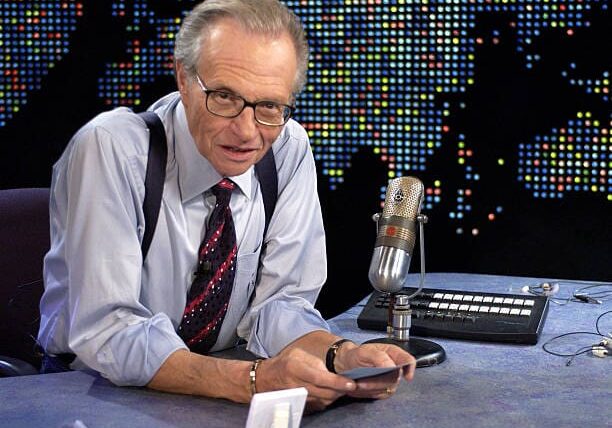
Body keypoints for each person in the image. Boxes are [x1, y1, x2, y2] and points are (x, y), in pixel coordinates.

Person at [37, 0, 415, 411]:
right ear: (183, 78)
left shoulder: (287, 148)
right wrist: (254, 381)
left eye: (270, 106)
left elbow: (280, 306)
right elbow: (109, 331)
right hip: (87, 391)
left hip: (216, 389)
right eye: (224, 97)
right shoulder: (112, 149)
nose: (247, 131)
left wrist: (339, 355)